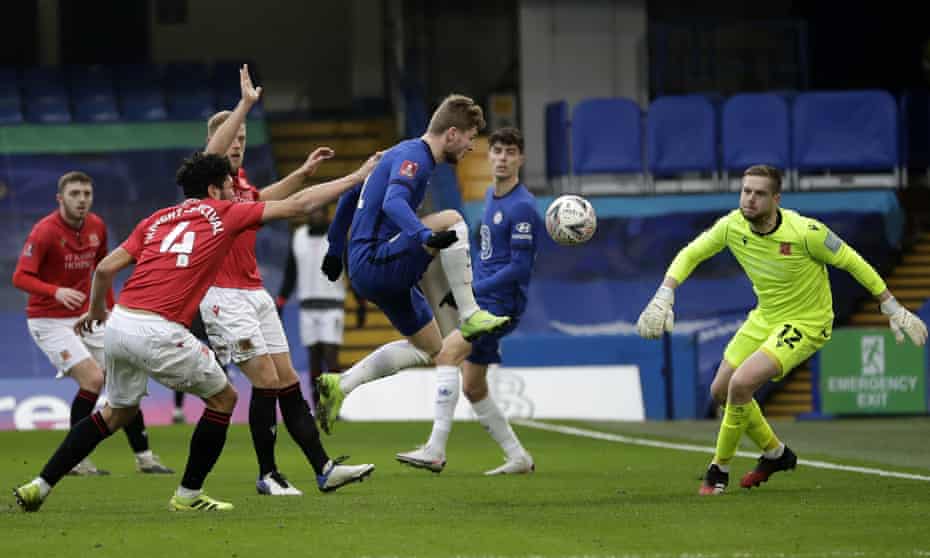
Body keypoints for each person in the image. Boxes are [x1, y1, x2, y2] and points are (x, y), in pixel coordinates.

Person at [13, 65, 377, 513]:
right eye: (227, 186)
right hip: (160, 329)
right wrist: (358, 176)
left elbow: (105, 268)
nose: (235, 191)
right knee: (224, 396)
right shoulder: (223, 214)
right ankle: (189, 494)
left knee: (115, 412)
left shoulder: (157, 217)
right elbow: (299, 205)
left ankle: (39, 485)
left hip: (120, 324)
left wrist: (96, 312)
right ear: (213, 187)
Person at [635, 164, 928, 495]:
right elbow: (691, 254)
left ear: (776, 198)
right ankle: (775, 454)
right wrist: (665, 293)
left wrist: (891, 305)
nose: (749, 199)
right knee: (720, 390)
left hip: (806, 321)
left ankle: (719, 470)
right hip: (765, 317)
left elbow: (853, 261)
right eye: (746, 191)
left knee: (741, 384)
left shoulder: (806, 232)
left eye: (759, 193)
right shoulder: (732, 225)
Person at [313, 94, 512, 435]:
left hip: (370, 266)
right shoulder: (413, 157)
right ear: (451, 134)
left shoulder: (397, 153)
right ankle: (470, 312)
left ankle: (340, 385)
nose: (469, 147)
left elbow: (349, 195)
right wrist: (421, 234)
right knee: (452, 219)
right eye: (468, 138)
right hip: (377, 259)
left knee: (433, 349)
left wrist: (333, 250)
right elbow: (393, 203)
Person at [195, 100, 341, 496]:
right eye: (232, 137)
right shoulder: (204, 181)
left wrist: (303, 173)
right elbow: (226, 170)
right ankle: (267, 473)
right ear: (215, 140)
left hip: (253, 291)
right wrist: (244, 105)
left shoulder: (239, 184)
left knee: (287, 379)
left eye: (243, 137)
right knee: (266, 380)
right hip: (224, 296)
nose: (238, 144)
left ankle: (324, 467)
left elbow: (265, 198)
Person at [396, 127, 538, 475]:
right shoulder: (492, 196)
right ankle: (518, 457)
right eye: (497, 151)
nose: (502, 158)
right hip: (485, 298)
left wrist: (474, 288)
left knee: (446, 353)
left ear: (521, 158)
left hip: (499, 304)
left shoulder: (523, 207)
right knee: (474, 387)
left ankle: (435, 449)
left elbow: (519, 268)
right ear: (488, 155)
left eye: (510, 152)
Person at [12, 171, 172, 476]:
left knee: (125, 375)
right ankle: (77, 460)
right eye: (74, 194)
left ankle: (146, 458)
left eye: (86, 193)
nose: (82, 199)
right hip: (49, 320)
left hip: (88, 315)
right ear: (60, 199)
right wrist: (55, 291)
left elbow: (104, 272)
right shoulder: (44, 232)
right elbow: (20, 277)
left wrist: (110, 311)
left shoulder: (97, 226)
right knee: (94, 381)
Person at [276, 206, 366, 400]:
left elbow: (351, 271)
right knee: (313, 359)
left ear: (327, 215)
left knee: (330, 356)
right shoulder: (298, 236)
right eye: (312, 211)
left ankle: (333, 403)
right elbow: (291, 272)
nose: (315, 214)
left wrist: (360, 303)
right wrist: (281, 301)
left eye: (319, 212)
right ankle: (318, 405)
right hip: (307, 306)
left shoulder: (337, 238)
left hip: (332, 304)